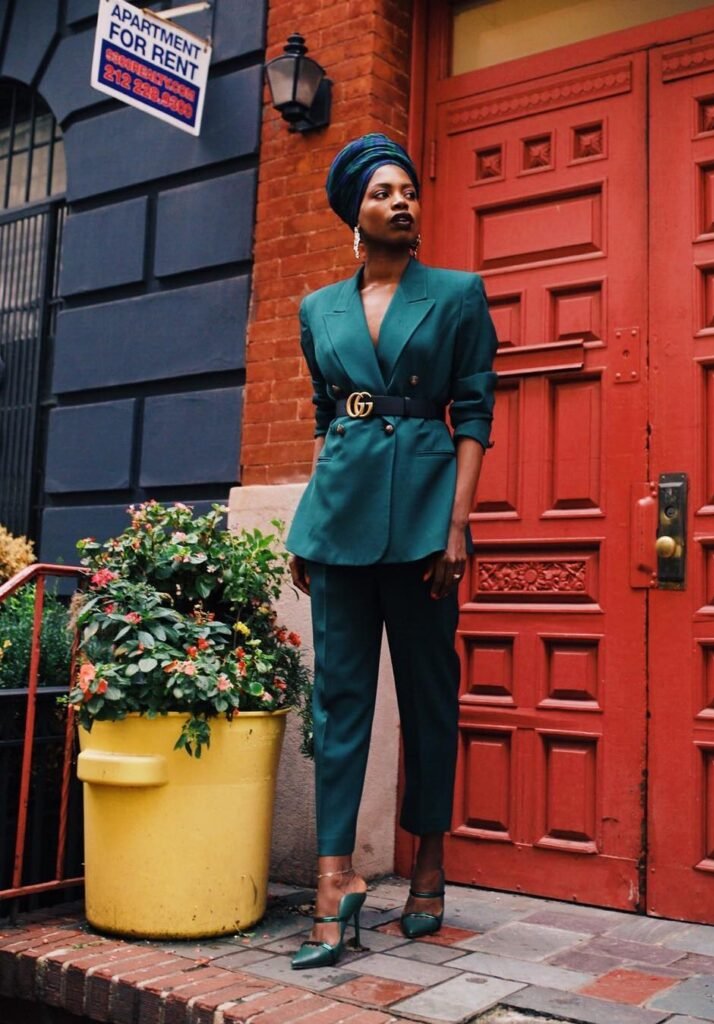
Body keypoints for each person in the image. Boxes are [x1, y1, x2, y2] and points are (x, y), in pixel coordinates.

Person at [286, 133, 498, 970]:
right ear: (355, 213)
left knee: (427, 698)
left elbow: (474, 413)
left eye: (409, 189)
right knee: (340, 705)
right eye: (383, 192)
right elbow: (322, 421)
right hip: (336, 528)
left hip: (420, 527)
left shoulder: (455, 296)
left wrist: (456, 526)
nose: (402, 200)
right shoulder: (317, 311)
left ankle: (429, 862)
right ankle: (333, 879)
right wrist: (308, 520)